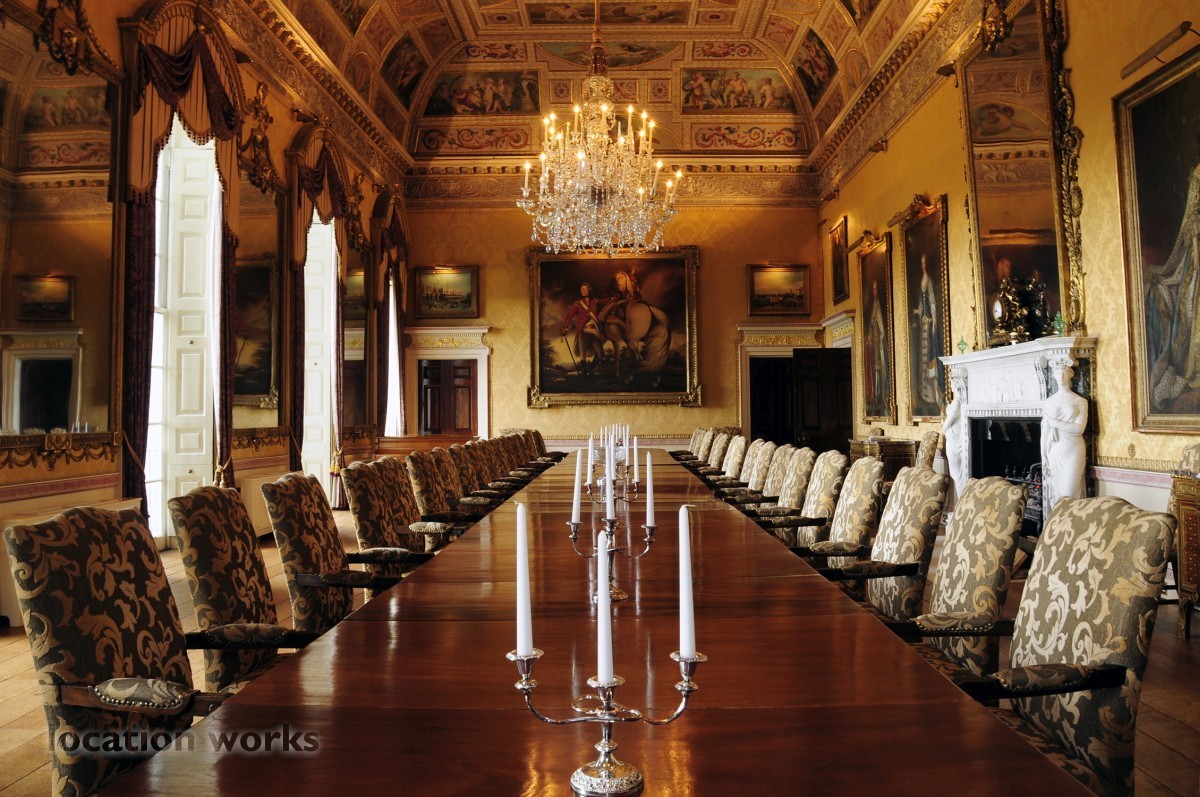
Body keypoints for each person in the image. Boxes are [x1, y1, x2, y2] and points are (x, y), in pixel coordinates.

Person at [1041, 357, 1087, 518]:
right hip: (1054, 450)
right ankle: (1059, 527)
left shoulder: (1080, 401)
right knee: (1057, 493)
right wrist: (1043, 456)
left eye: (1063, 373)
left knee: (1071, 492)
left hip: (1073, 450)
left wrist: (1054, 422)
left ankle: (1073, 526)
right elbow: (1045, 432)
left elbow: (1079, 429)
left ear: (1070, 374)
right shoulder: (1048, 402)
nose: (1060, 376)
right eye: (1057, 373)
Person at [912, 254, 943, 410]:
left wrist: (934, 321)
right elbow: (921, 304)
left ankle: (932, 393)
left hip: (929, 322)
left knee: (930, 354)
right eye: (921, 263)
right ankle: (925, 393)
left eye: (925, 262)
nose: (923, 265)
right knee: (923, 358)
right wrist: (918, 312)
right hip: (923, 323)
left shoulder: (929, 280)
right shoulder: (921, 281)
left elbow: (932, 303)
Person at [560, 282, 603, 378]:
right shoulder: (578, 304)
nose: (582, 291)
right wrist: (565, 327)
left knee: (600, 354)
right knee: (582, 355)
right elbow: (569, 316)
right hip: (583, 332)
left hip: (594, 332)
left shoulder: (595, 301)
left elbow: (605, 301)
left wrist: (613, 298)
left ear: (589, 290)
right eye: (581, 289)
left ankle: (590, 371)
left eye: (583, 289)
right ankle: (585, 375)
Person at [942, 370, 969, 501]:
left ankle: (961, 503)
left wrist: (943, 427)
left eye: (952, 383)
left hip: (954, 442)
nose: (951, 386)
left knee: (958, 475)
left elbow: (946, 425)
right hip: (955, 439)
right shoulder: (960, 402)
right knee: (958, 474)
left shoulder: (957, 403)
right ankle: (961, 503)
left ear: (957, 385)